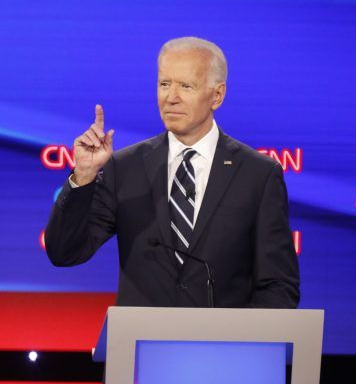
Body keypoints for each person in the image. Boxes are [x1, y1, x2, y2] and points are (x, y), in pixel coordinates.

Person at [45, 37, 299, 309]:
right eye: (164, 84)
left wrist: (238, 341)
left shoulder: (257, 174)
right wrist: (83, 177)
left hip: (224, 348)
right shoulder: (125, 167)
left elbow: (279, 286)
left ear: (217, 95)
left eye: (186, 86)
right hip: (141, 345)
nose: (171, 98)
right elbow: (64, 252)